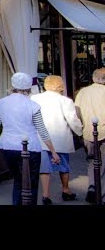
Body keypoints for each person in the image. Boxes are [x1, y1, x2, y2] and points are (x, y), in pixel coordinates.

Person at [0, 72, 61, 205]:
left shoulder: (2, 103)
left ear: (13, 85)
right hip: (30, 147)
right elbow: (42, 130)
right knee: (31, 184)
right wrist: (53, 152)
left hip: (8, 146)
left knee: (18, 181)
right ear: (28, 88)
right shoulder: (33, 105)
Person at [31, 75, 83, 205]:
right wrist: (80, 131)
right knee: (64, 165)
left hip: (41, 138)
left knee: (44, 167)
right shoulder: (65, 101)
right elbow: (72, 119)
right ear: (60, 86)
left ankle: (46, 195)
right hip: (60, 137)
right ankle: (66, 190)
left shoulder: (35, 98)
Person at [73, 67, 105, 203]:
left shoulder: (83, 92)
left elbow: (77, 112)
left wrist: (80, 130)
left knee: (92, 161)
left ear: (93, 78)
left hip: (88, 132)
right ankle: (101, 192)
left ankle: (93, 186)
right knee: (103, 163)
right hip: (103, 131)